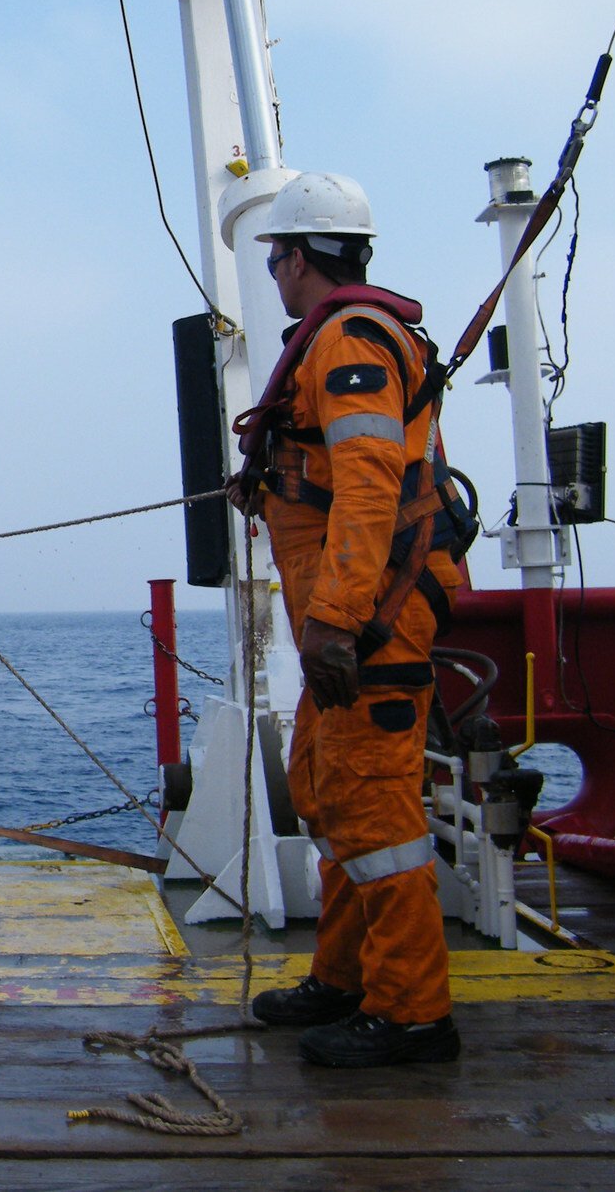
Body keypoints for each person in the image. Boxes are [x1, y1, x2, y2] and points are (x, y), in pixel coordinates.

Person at [229, 172, 474, 1069]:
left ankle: (413, 1015)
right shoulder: (342, 341)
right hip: (346, 621)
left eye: (276, 258)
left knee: (376, 811)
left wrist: (335, 622)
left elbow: (370, 483)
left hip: (372, 621)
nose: (275, 276)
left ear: (297, 258)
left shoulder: (349, 343)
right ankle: (344, 979)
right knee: (327, 790)